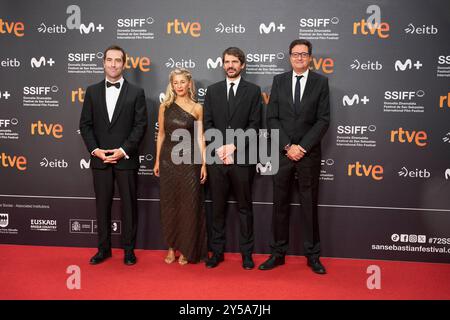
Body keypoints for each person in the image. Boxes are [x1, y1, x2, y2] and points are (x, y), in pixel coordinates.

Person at [259, 39, 330, 274]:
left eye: (304, 54)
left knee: (309, 205)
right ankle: (277, 253)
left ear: (310, 57)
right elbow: (272, 118)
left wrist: (303, 147)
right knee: (280, 205)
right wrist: (288, 146)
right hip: (282, 153)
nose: (299, 58)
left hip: (308, 155)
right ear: (289, 57)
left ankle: (313, 256)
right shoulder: (279, 81)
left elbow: (323, 120)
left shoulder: (321, 82)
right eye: (295, 54)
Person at [79, 45, 148, 266]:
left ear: (124, 64)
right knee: (102, 207)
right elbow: (85, 125)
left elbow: (140, 125)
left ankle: (129, 250)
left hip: (126, 160)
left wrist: (123, 150)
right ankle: (103, 249)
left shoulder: (136, 92)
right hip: (100, 160)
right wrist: (95, 150)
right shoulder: (91, 91)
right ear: (103, 62)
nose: (113, 64)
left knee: (129, 206)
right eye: (109, 60)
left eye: (118, 60)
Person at [203, 47, 262, 270]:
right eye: (227, 61)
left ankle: (247, 254)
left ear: (242, 65)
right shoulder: (212, 91)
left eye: (235, 62)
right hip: (217, 160)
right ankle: (216, 252)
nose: (230, 65)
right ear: (222, 64)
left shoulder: (253, 91)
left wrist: (234, 146)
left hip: (243, 159)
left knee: (245, 208)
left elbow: (255, 125)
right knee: (217, 208)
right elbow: (207, 124)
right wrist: (220, 148)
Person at [154, 68, 208, 265]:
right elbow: (160, 135)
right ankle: (171, 247)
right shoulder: (164, 107)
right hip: (168, 161)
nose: (179, 86)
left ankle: (186, 248)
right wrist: (158, 160)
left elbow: (201, 137)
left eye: (182, 82)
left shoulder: (197, 108)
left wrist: (204, 163)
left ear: (189, 84)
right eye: (175, 83)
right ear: (172, 85)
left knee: (188, 206)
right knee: (170, 205)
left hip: (190, 162)